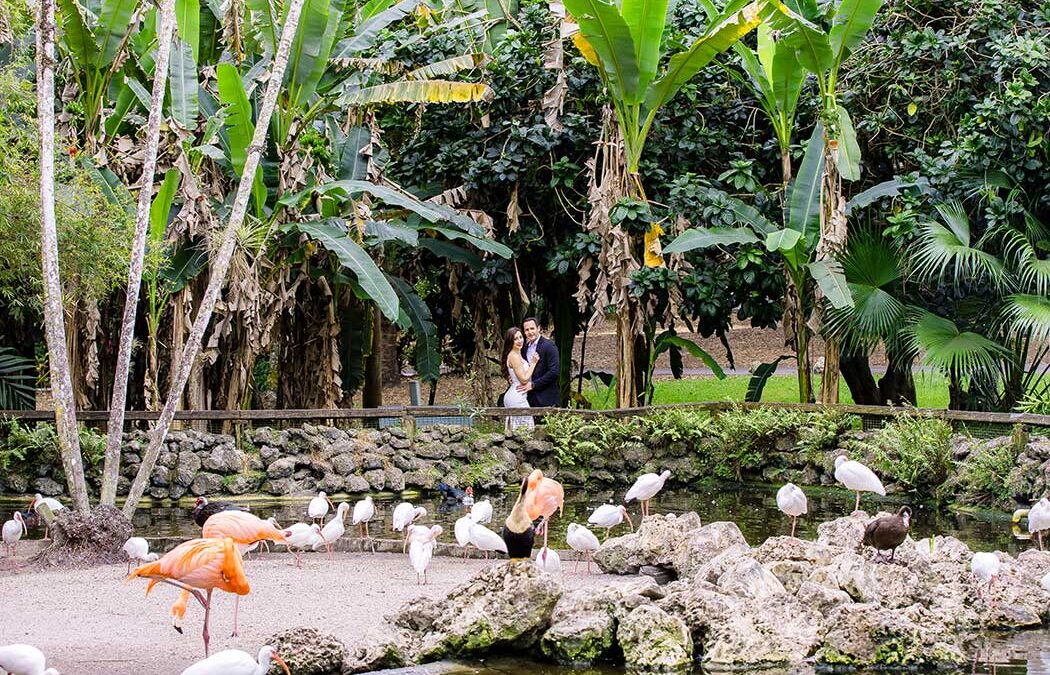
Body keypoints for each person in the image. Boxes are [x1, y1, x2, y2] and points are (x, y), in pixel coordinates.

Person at [519, 317, 561, 412]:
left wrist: (534, 385)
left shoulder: (549, 346)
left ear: (538, 328)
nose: (530, 332)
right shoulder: (524, 348)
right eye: (527, 330)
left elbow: (554, 372)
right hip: (529, 398)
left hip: (547, 397)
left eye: (532, 328)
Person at [502, 327, 540, 431]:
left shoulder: (517, 354)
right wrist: (533, 363)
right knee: (526, 429)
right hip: (517, 397)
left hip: (518, 394)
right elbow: (523, 379)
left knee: (521, 429)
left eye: (520, 337)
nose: (520, 341)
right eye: (515, 339)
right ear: (510, 341)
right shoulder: (514, 356)